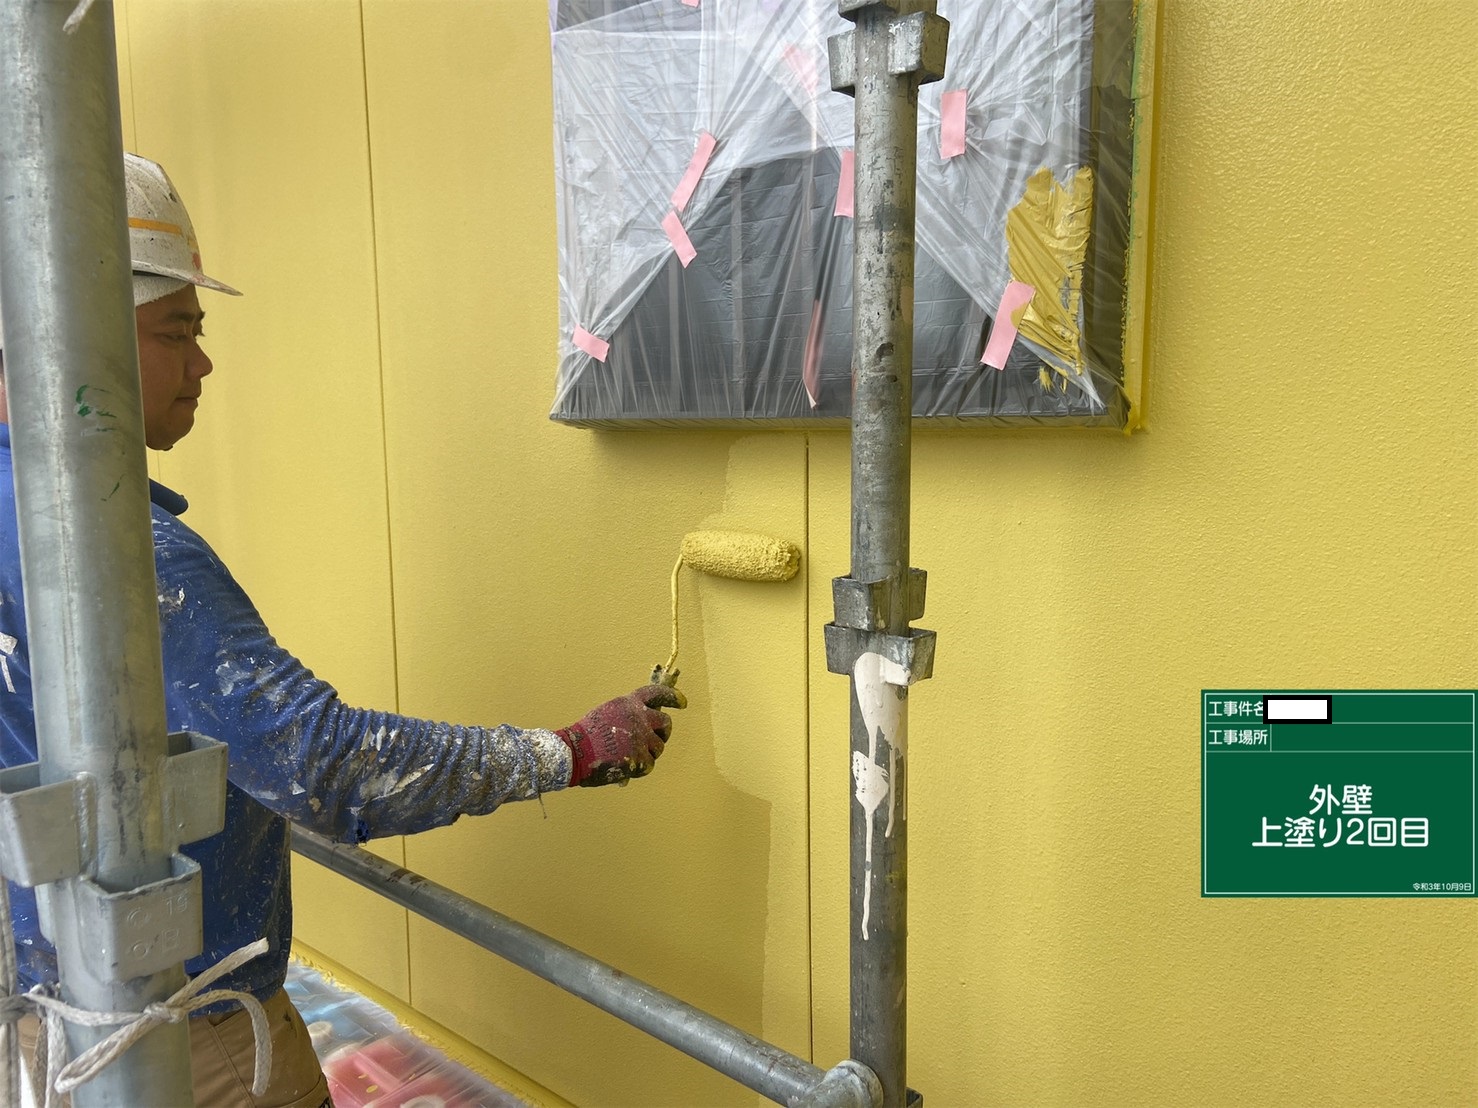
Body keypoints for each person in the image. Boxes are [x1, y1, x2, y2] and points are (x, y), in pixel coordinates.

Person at [0, 153, 681, 1107]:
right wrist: (570, 750)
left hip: (49, 1012)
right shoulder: (118, 551)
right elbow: (325, 768)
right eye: (177, 331)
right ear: (71, 341)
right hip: (179, 1036)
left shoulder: (18, 512)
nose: (202, 363)